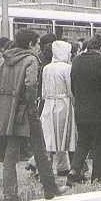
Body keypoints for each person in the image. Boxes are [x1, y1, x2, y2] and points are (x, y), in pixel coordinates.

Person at [0, 29, 68, 201]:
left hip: (8, 110)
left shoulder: (4, 60)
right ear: (30, 44)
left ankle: (10, 194)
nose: (39, 47)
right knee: (40, 148)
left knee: (11, 153)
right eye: (37, 43)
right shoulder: (31, 59)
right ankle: (50, 188)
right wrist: (30, 103)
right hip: (26, 110)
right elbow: (31, 84)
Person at [67, 35, 101, 185]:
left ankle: (74, 168)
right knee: (99, 144)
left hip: (80, 108)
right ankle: (98, 177)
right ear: (100, 48)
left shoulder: (76, 60)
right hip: (98, 109)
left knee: (83, 142)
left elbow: (72, 85)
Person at [39, 40, 76, 176]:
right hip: (63, 103)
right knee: (63, 135)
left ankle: (44, 167)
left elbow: (43, 91)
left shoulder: (47, 68)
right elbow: (70, 89)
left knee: (49, 136)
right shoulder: (67, 68)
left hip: (49, 103)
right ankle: (62, 165)